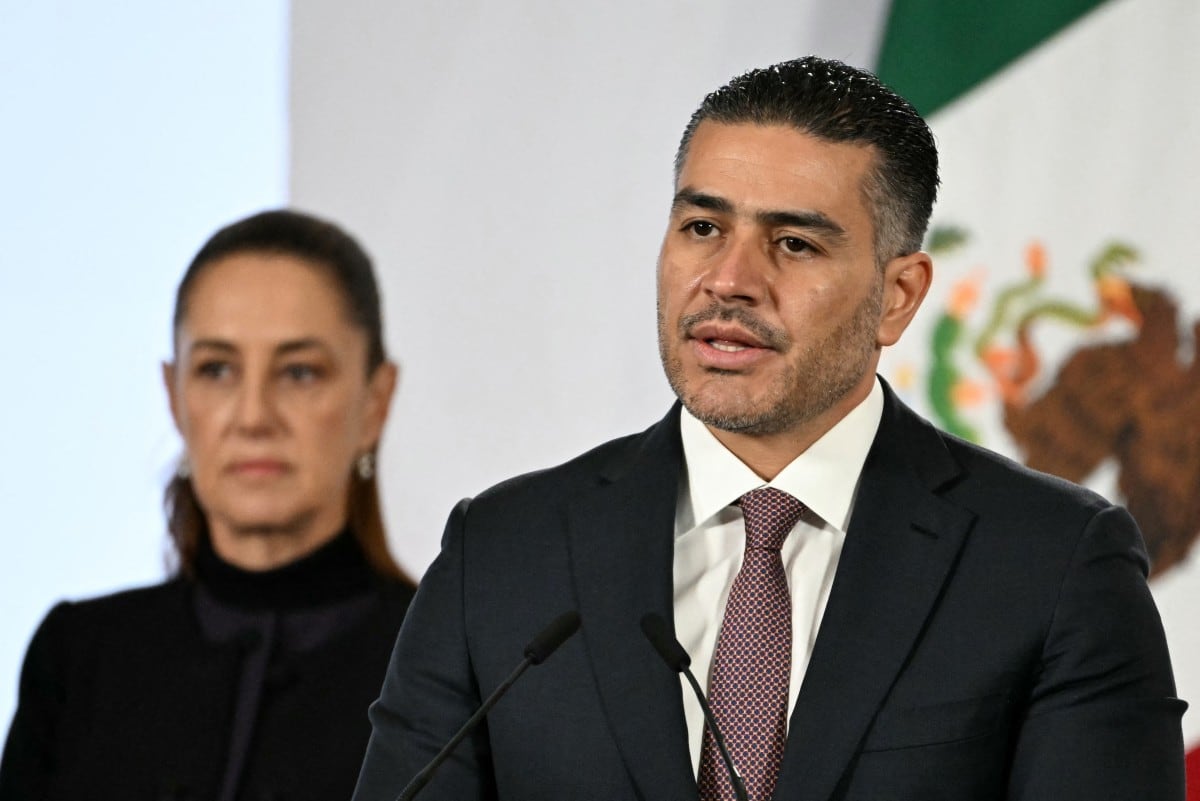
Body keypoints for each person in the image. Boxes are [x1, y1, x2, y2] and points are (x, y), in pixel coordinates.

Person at [351, 57, 1187, 801]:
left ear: (897, 295)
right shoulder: (503, 554)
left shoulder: (1053, 563)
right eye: (703, 228)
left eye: (793, 243)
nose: (728, 280)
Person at [0, 209, 415, 801]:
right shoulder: (78, 660)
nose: (252, 417)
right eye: (217, 369)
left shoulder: (452, 674)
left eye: (299, 372)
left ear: (375, 401)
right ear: (174, 397)